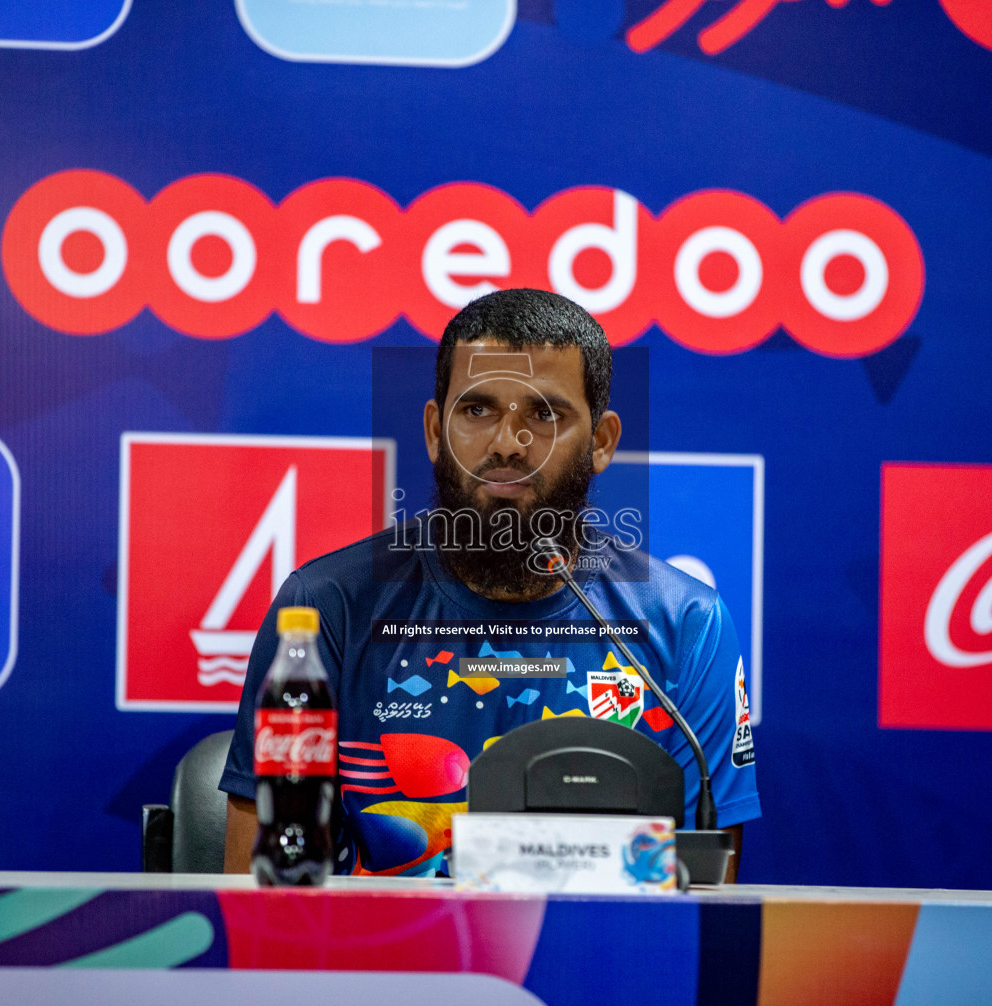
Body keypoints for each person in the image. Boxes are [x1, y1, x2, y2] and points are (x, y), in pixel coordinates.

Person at [221, 288, 759, 878]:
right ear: (435, 431)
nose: (507, 443)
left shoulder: (686, 624)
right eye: (477, 410)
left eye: (544, 414)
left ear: (601, 442)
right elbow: (261, 893)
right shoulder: (327, 608)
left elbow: (704, 900)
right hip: (380, 965)